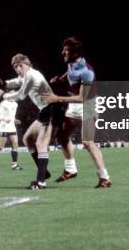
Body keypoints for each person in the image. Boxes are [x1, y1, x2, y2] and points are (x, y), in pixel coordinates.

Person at [43, 37, 112, 188]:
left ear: (76, 53)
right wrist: (60, 79)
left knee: (88, 142)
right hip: (73, 106)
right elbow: (69, 73)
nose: (63, 53)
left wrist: (56, 98)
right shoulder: (72, 64)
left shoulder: (87, 72)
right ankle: (70, 170)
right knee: (62, 135)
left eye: (66, 50)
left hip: (88, 106)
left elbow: (82, 98)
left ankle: (105, 177)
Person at [0, 53, 61, 190]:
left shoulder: (31, 76)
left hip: (52, 109)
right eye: (15, 67)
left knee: (40, 144)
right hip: (45, 110)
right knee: (27, 139)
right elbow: (17, 82)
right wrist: (4, 83)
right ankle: (45, 172)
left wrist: (4, 95)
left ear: (28, 64)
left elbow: (21, 94)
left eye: (20, 65)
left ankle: (41, 182)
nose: (18, 69)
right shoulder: (25, 75)